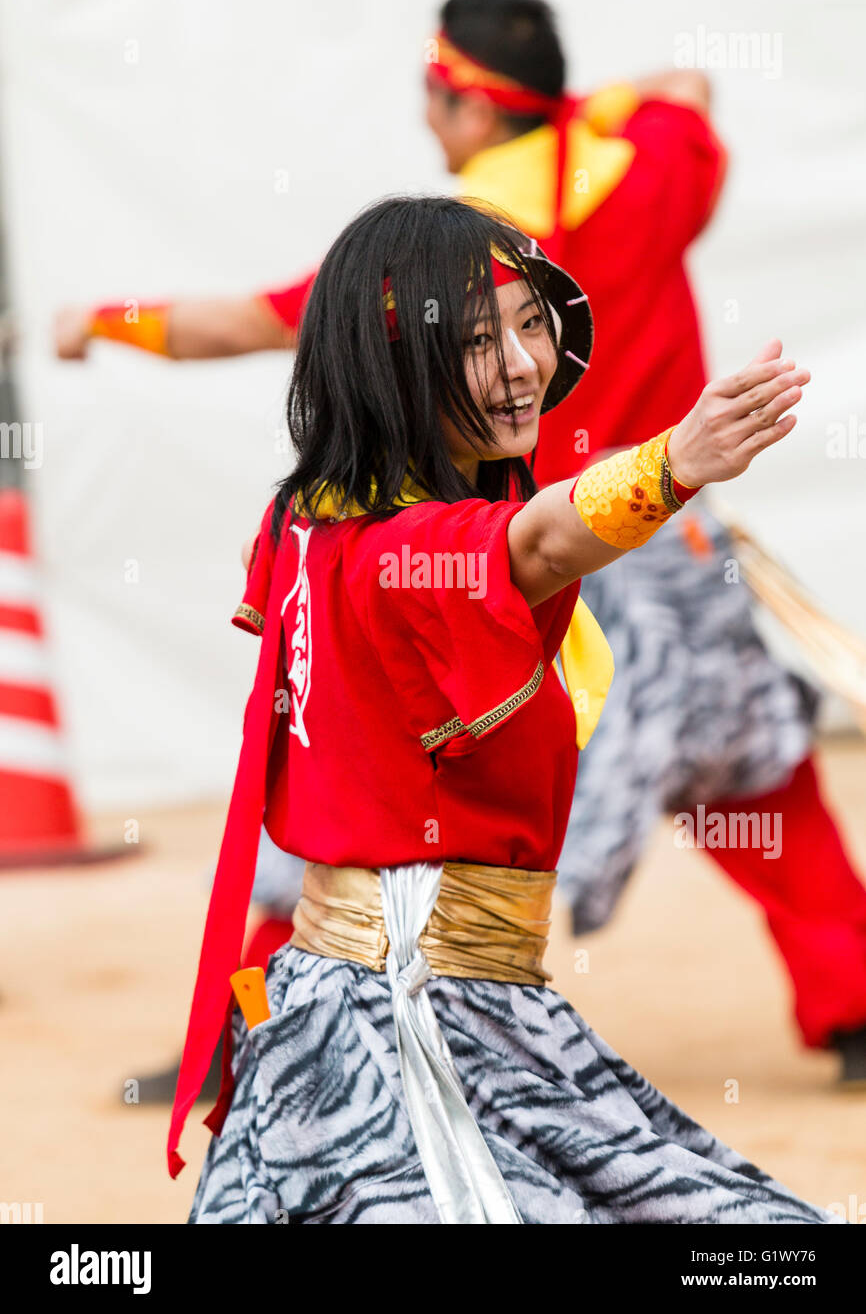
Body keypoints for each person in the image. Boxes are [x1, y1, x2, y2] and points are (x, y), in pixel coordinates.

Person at [54, 0, 866, 1087]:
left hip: (512, 552)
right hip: (674, 558)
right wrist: (590, 107)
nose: (427, 118)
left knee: (360, 800)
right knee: (752, 776)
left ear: (475, 110)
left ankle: (244, 1038)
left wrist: (101, 321)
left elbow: (237, 323)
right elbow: (688, 89)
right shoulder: (655, 162)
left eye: (437, 97)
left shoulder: (436, 270)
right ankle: (854, 997)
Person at [167, 192, 830, 1225]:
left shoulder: (312, 519)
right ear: (396, 365)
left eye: (531, 323)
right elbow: (535, 544)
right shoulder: (397, 551)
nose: (523, 363)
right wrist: (670, 464)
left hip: (471, 1007)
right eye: (480, 340)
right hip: (392, 1035)